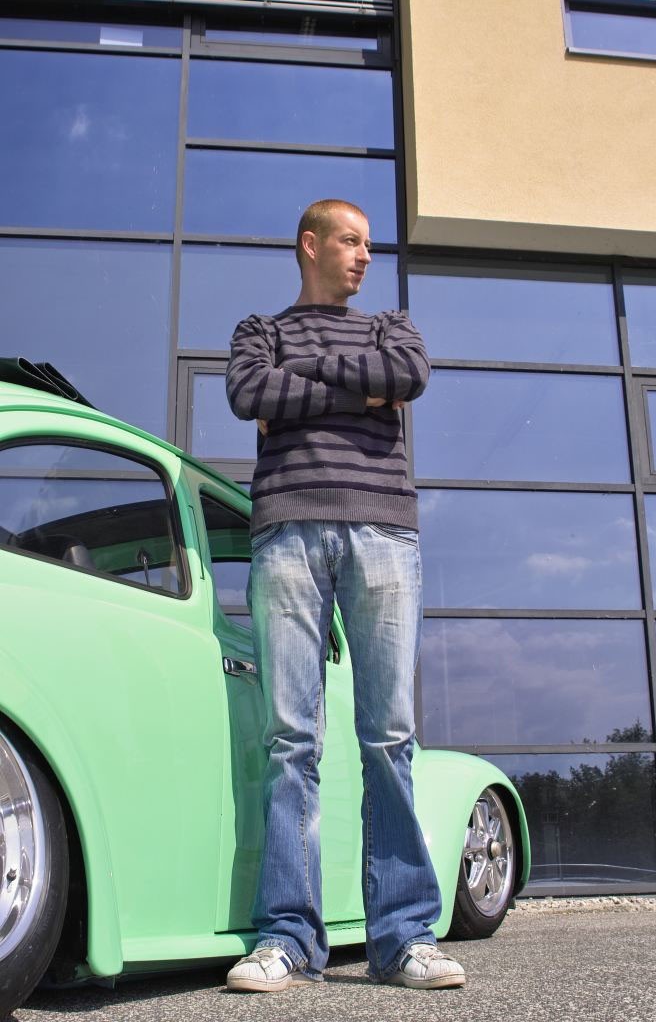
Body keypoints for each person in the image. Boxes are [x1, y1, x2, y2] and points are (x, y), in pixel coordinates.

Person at [224, 199, 464, 992]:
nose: (364, 256)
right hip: (287, 530)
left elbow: (406, 377)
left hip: (384, 533)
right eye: (351, 241)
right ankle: (287, 938)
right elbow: (248, 392)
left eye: (369, 244)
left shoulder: (391, 326)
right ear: (310, 244)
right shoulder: (260, 330)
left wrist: (306, 386)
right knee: (290, 740)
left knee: (388, 736)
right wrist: (356, 394)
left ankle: (402, 940)